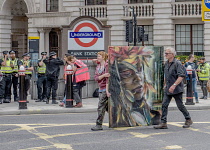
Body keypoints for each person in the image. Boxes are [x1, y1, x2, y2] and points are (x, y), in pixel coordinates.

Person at [154, 47, 193, 129]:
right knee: (164, 104)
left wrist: (174, 85)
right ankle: (163, 123)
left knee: (180, 106)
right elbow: (166, 76)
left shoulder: (177, 63)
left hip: (177, 89)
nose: (165, 55)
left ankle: (188, 119)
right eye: (165, 53)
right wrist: (165, 85)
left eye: (167, 53)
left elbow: (181, 76)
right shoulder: (166, 63)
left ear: (172, 55)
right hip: (168, 88)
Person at [91, 51, 110, 131]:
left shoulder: (107, 66)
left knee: (101, 106)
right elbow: (96, 78)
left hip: (106, 89)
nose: (97, 57)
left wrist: (107, 91)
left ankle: (99, 124)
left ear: (103, 57)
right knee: (108, 107)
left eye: (99, 56)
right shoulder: (98, 66)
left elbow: (108, 79)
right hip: (101, 88)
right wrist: (103, 75)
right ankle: (119, 120)